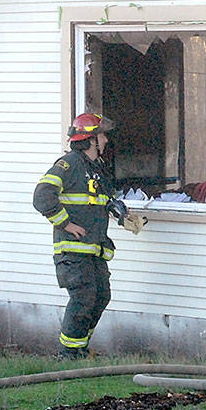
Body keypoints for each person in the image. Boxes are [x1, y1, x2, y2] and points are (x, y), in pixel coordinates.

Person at [33, 111, 126, 358]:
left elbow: (97, 199)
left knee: (101, 296)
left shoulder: (95, 169)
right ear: (91, 140)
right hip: (73, 251)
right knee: (83, 299)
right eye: (102, 136)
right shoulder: (69, 165)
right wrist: (66, 224)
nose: (105, 141)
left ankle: (79, 348)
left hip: (93, 250)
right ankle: (69, 354)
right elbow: (42, 196)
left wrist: (116, 208)